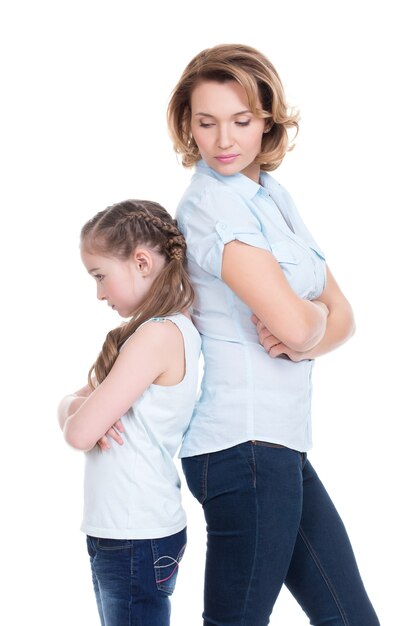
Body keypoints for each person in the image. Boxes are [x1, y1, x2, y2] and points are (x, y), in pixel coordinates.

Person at [167, 44, 380, 626]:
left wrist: (309, 326)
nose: (223, 140)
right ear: (188, 122)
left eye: (241, 121)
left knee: (349, 617)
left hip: (279, 445)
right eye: (206, 122)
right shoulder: (213, 205)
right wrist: (310, 324)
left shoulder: (270, 198)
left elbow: (345, 316)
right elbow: (302, 321)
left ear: (268, 120)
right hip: (241, 444)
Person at [57, 199, 201, 626]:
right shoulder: (149, 334)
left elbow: (79, 434)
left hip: (135, 536)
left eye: (100, 276)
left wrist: (79, 413)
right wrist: (76, 408)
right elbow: (71, 406)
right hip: (120, 532)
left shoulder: (157, 337)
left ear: (141, 261)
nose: (99, 292)